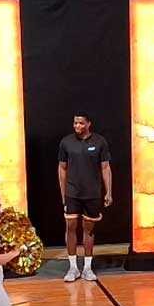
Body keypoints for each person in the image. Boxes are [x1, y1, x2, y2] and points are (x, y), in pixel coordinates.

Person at [58, 111, 112, 283]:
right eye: (75, 123)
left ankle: (87, 268)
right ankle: (73, 267)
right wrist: (63, 192)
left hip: (92, 193)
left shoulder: (99, 142)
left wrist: (108, 191)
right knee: (71, 226)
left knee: (89, 229)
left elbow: (105, 167)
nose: (77, 126)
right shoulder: (66, 142)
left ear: (88, 124)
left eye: (81, 123)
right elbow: (62, 168)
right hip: (72, 193)